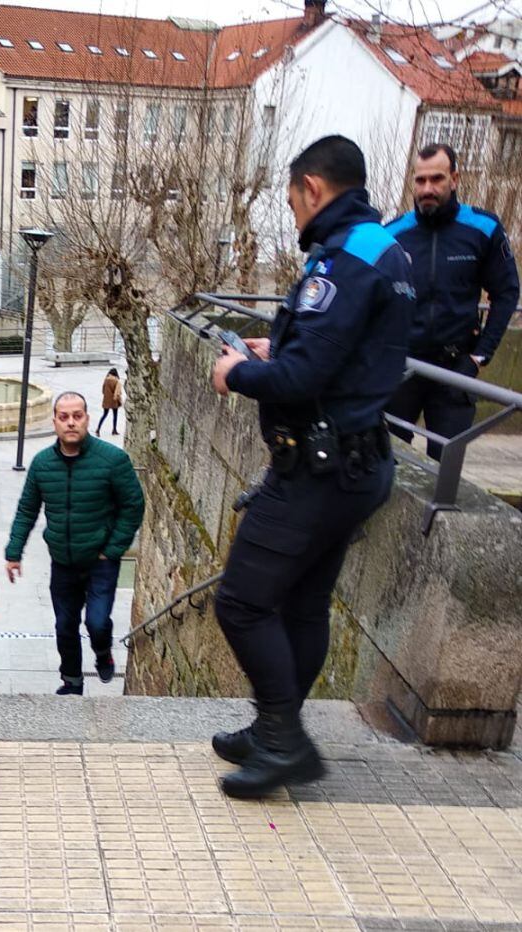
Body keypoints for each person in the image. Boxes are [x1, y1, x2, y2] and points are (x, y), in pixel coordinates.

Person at [209, 135, 414, 798]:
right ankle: (279, 722)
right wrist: (283, 341)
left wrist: (240, 371)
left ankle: (282, 740)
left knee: (241, 601)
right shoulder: (382, 247)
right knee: (301, 603)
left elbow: (301, 379)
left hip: (320, 471)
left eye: (293, 199)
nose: (294, 214)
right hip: (360, 462)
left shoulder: (345, 262)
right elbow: (342, 353)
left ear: (314, 189)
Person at [383, 143, 519, 461]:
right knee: (387, 460)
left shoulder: (483, 229)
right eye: (420, 180)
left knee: (445, 468)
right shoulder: (393, 233)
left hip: (455, 367)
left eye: (437, 179)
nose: (427, 188)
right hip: (403, 364)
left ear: (455, 179)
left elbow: (507, 292)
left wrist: (480, 356)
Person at [5, 392, 144, 695]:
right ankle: (71, 681)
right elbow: (27, 509)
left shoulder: (113, 460)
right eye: (64, 417)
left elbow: (134, 505)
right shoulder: (42, 464)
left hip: (101, 562)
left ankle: (103, 652)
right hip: (63, 563)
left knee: (96, 622)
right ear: (54, 421)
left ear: (87, 419)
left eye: (77, 416)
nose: (71, 423)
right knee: (64, 627)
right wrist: (13, 552)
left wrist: (113, 549)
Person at [96, 368, 122, 436]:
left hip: (106, 400)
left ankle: (98, 429)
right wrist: (119, 400)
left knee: (104, 415)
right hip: (114, 400)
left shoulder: (106, 380)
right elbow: (117, 393)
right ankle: (114, 430)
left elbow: (103, 390)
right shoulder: (117, 381)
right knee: (115, 415)